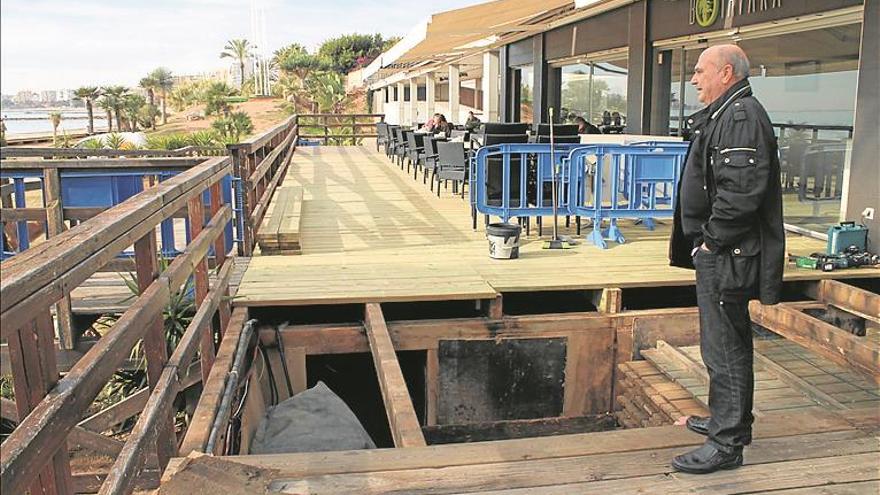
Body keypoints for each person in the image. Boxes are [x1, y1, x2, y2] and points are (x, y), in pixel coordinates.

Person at [669, 45, 784, 474]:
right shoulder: (728, 114)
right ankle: (726, 421)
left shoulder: (740, 118)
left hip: (728, 254)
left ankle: (727, 443)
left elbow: (741, 195)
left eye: (701, 71)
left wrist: (710, 243)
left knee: (725, 348)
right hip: (724, 252)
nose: (695, 79)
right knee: (723, 342)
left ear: (727, 73)